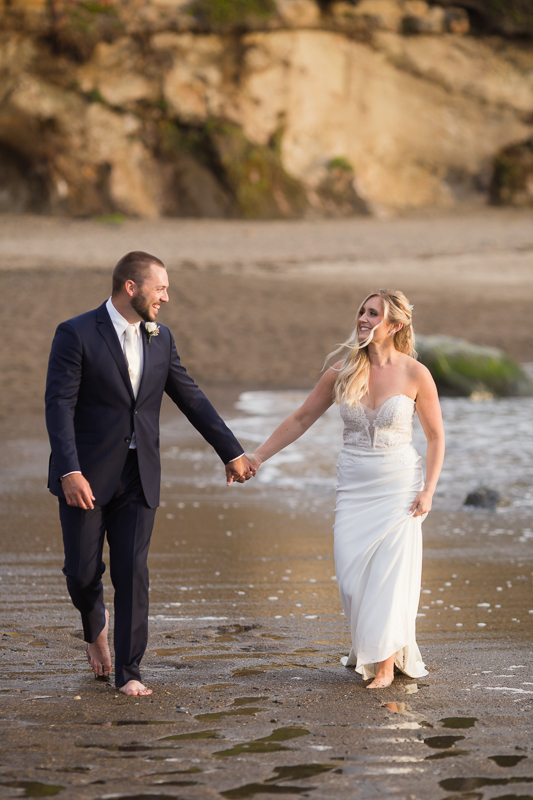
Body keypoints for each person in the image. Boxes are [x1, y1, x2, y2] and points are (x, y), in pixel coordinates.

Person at [45, 251, 254, 696]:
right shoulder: (76, 333)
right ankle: (95, 627)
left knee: (132, 572)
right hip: (85, 474)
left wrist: (231, 451)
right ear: (131, 287)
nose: (166, 298)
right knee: (81, 573)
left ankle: (129, 672)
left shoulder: (161, 337)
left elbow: (190, 397)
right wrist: (69, 470)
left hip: (140, 473)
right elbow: (58, 405)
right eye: (160, 288)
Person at [247, 289, 444, 689]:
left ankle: (384, 667)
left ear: (395, 325)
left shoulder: (415, 373)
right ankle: (374, 649)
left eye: (374, 314)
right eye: (362, 312)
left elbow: (436, 436)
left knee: (389, 577)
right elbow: (301, 418)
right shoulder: (342, 371)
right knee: (352, 581)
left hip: (399, 487)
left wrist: (429, 489)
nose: (363, 319)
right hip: (353, 487)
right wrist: (258, 456)